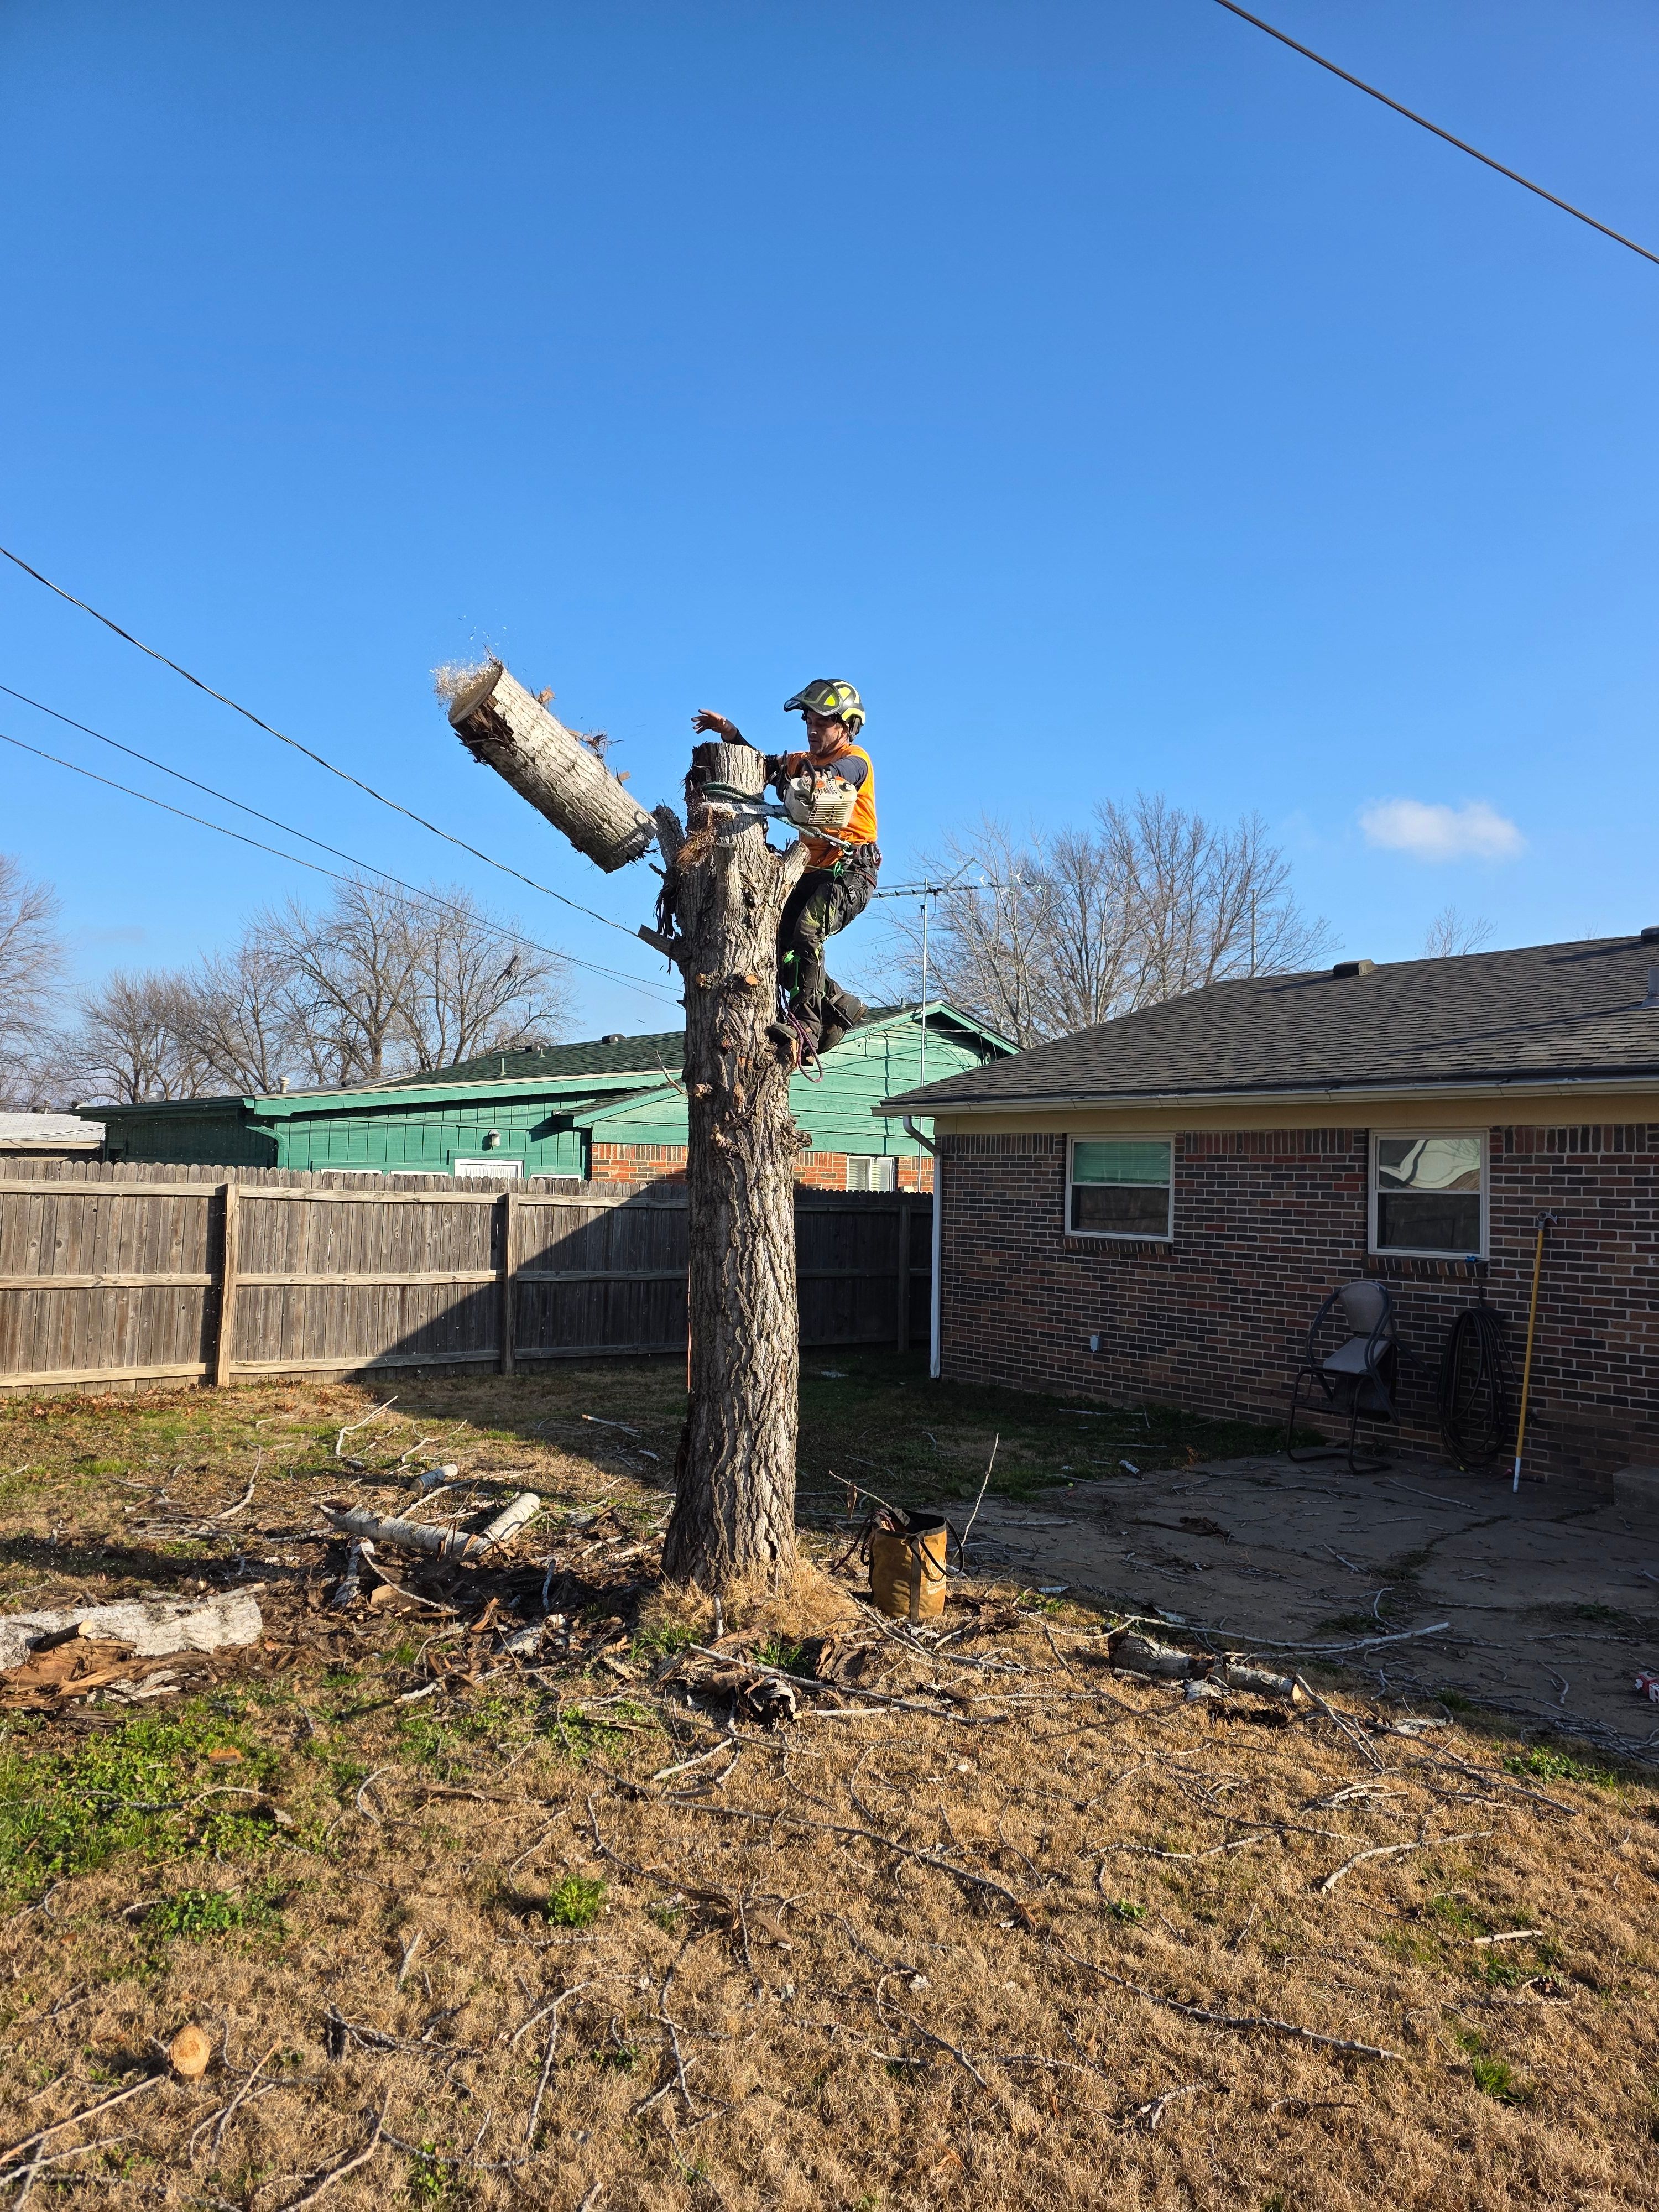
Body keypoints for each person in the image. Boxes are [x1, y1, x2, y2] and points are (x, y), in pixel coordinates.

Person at [691, 679, 878, 1057]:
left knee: (808, 932)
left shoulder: (856, 759)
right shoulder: (799, 762)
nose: (812, 729)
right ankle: (837, 1003)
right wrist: (731, 733)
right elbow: (755, 765)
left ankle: (807, 1025)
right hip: (808, 871)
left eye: (822, 723)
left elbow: (844, 776)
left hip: (849, 873)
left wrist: (816, 781)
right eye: (809, 721)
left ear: (845, 725)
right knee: (777, 941)